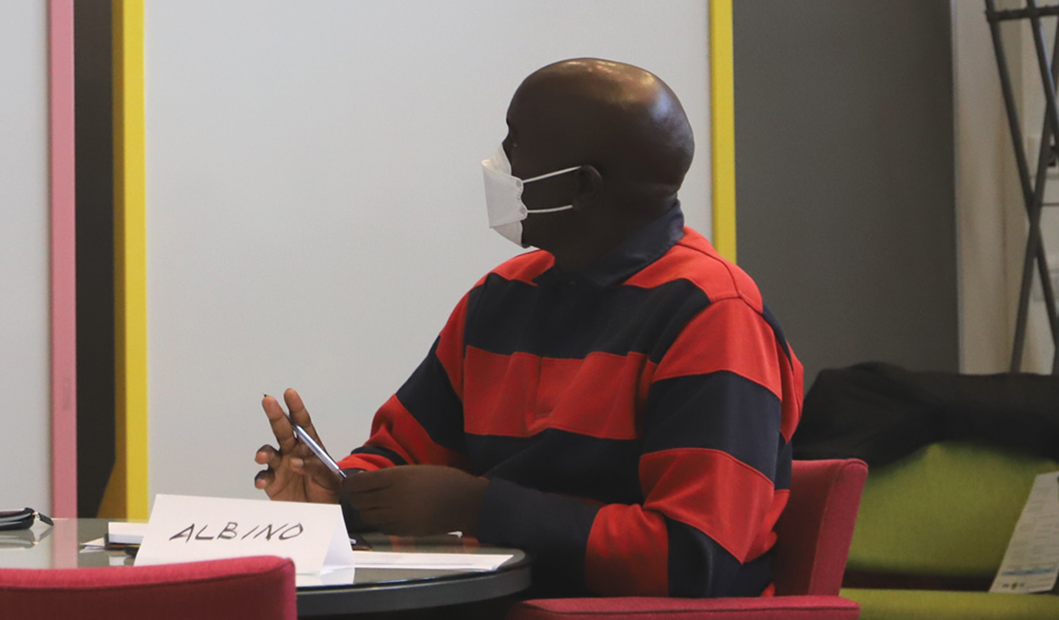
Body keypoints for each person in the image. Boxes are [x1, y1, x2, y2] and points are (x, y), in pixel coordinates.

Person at [254, 59, 803, 598]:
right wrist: (340, 497)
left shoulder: (713, 315)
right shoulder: (502, 297)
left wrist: (477, 508)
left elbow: (696, 559)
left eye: (516, 145)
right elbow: (404, 454)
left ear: (582, 187)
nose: (499, 163)